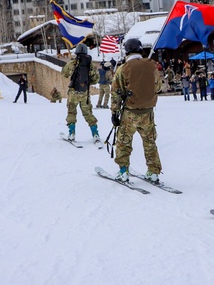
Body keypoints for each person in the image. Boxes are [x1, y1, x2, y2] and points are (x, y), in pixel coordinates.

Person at [110, 38, 163, 183]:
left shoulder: (123, 68)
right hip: (148, 112)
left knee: (124, 142)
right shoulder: (151, 66)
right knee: (149, 142)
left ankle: (123, 171)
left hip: (129, 113)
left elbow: (115, 92)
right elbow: (158, 87)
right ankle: (153, 172)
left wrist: (114, 112)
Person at [62, 43, 99, 141]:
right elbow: (96, 79)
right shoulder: (91, 65)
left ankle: (72, 133)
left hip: (73, 92)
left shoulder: (72, 63)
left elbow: (64, 74)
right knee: (88, 113)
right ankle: (95, 133)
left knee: (71, 112)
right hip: (84, 93)